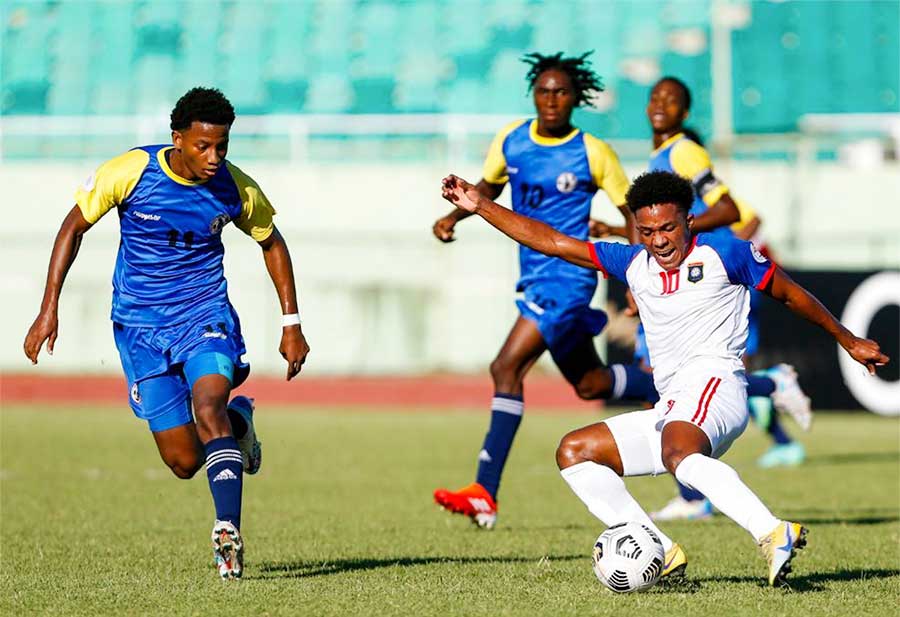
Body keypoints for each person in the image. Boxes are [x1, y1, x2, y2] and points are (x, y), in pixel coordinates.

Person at [438, 169, 888, 586]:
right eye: (648, 231)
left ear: (688, 220)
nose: (659, 241)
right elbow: (552, 242)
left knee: (678, 452)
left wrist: (848, 339)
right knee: (575, 452)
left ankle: (772, 531)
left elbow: (791, 294)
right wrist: (480, 206)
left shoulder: (723, 252)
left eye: (668, 228)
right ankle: (660, 550)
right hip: (673, 404)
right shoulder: (632, 261)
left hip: (718, 386)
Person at [23, 87, 310, 580]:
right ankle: (241, 425)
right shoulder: (131, 172)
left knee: (207, 408)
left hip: (205, 317)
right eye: (204, 146)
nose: (215, 157)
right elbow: (72, 228)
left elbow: (272, 242)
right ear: (177, 139)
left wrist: (291, 323)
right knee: (181, 460)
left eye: (222, 146)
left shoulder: (237, 189)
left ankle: (227, 533)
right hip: (141, 327)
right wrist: (49, 307)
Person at [431, 52, 656, 530]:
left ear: (575, 98)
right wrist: (452, 217)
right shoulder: (511, 141)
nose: (551, 100)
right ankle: (705, 387)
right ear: (534, 95)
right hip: (533, 275)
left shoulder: (593, 151)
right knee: (589, 385)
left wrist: (637, 276)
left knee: (505, 365)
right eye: (543, 92)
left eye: (560, 92)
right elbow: (485, 190)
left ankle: (484, 493)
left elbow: (634, 213)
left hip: (570, 277)